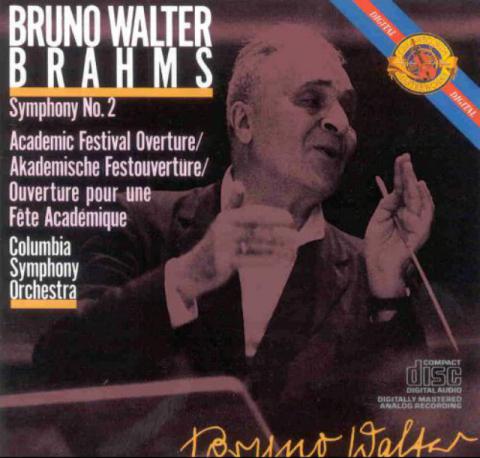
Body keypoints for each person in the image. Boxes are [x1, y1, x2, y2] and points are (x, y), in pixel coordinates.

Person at [34, 24, 433, 435]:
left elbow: (423, 428)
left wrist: (387, 294)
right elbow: (57, 368)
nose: (339, 123)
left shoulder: (374, 267)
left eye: (347, 109)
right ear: (244, 122)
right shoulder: (138, 223)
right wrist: (186, 278)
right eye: (312, 100)